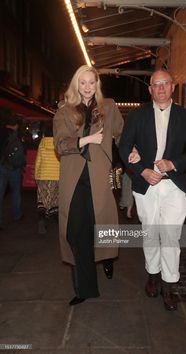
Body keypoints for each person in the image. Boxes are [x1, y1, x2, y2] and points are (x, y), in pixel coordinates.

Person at [119, 69, 186, 311]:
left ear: (173, 87)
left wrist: (173, 164)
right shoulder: (137, 116)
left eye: (165, 84)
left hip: (173, 186)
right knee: (150, 233)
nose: (161, 88)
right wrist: (142, 170)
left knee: (170, 236)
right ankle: (153, 275)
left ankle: (169, 284)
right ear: (150, 89)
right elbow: (124, 147)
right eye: (156, 85)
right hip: (145, 185)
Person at [53, 65, 124, 305]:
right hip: (74, 180)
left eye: (91, 82)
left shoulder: (109, 107)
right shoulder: (64, 111)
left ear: (97, 84)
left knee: (101, 224)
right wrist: (88, 139)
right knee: (75, 231)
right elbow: (61, 145)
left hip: (99, 177)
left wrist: (133, 151)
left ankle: (105, 258)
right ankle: (84, 288)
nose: (86, 87)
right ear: (76, 84)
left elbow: (123, 135)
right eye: (82, 82)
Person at [34, 122, 60, 234]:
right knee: (55, 199)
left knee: (42, 199)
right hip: (57, 175)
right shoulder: (59, 143)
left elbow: (38, 160)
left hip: (43, 175)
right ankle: (58, 222)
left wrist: (36, 175)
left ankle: (42, 219)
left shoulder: (42, 143)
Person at [0, 115, 25, 229]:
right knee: (15, 192)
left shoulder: (2, 133)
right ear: (15, 125)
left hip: (2, 166)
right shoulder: (19, 136)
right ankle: (16, 215)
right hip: (15, 168)